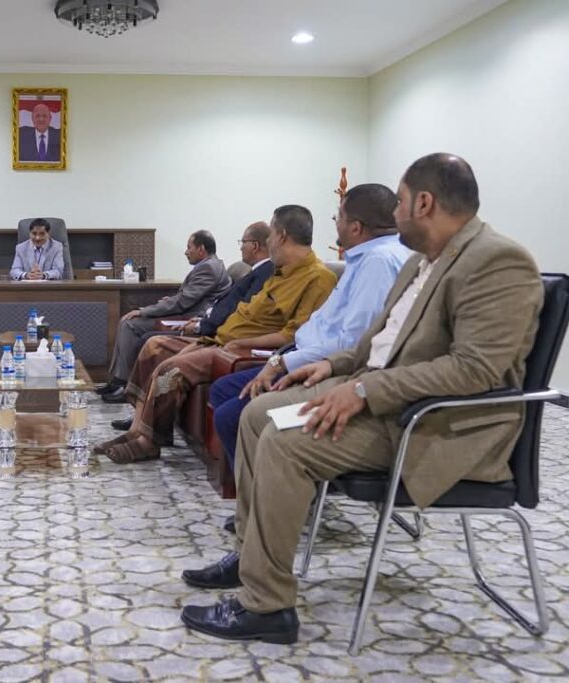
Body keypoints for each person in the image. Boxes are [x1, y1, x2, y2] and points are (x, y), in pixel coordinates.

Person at [180, 154, 544, 645]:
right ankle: (251, 557)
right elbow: (379, 344)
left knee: (285, 445)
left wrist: (363, 389)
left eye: (399, 202)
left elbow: (475, 369)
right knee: (257, 415)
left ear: (424, 203)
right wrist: (334, 366)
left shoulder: (498, 261)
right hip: (388, 400)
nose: (392, 215)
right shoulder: (421, 261)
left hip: (434, 425)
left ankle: (267, 606)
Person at [93, 205, 337, 464]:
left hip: (242, 349)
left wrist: (239, 342)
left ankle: (149, 442)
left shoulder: (318, 278)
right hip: (220, 340)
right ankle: (137, 430)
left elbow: (294, 336)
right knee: (155, 351)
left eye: (272, 235)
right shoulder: (280, 272)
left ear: (282, 236)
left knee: (169, 372)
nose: (269, 243)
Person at [209, 185, 411, 476]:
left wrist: (282, 362)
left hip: (326, 367)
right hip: (301, 353)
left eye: (338, 217)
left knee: (233, 415)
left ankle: (267, 494)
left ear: (356, 227)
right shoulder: (366, 258)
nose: (335, 224)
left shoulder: (377, 262)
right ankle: (258, 488)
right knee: (224, 390)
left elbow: (352, 342)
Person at [100, 222, 273, 406]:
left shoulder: (211, 268)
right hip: (198, 319)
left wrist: (148, 311)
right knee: (132, 324)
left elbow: (185, 302)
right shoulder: (218, 267)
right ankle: (121, 383)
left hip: (198, 322)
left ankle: (127, 387)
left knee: (135, 328)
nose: (185, 252)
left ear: (201, 249)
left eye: (189, 247)